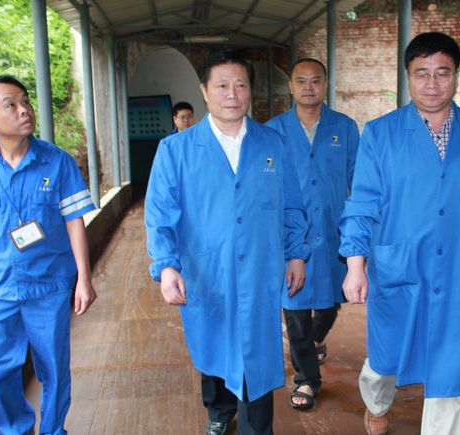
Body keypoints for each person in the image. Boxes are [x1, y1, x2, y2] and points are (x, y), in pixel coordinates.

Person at [338, 32, 460, 435]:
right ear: (408, 76)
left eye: (442, 72)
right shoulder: (380, 133)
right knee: (385, 358)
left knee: (451, 366)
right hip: (398, 266)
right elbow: (362, 203)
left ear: (456, 76)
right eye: (422, 73)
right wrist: (355, 264)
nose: (432, 83)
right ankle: (377, 403)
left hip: (455, 268)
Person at [144, 50, 310, 435]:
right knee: (216, 348)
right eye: (221, 85)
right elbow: (160, 215)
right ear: (204, 91)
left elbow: (291, 204)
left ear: (251, 91)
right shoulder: (176, 150)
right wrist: (166, 266)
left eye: (240, 85)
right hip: (206, 271)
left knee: (256, 357)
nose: (232, 94)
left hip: (260, 270)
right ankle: (219, 411)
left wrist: (296, 254)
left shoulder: (273, 144)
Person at [0, 76, 97, 435]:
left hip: (49, 284)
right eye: (11, 105)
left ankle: (53, 430)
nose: (24, 110)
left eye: (25, 101)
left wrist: (84, 278)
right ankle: (16, 429)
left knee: (53, 367)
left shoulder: (57, 162)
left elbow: (74, 222)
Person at [266, 58, 359, 409]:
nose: (308, 87)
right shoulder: (273, 130)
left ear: (326, 85)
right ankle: (307, 379)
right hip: (290, 235)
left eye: (315, 80)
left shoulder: (344, 128)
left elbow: (359, 182)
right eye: (301, 81)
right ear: (290, 86)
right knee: (294, 308)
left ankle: (314, 340)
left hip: (334, 235)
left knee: (332, 301)